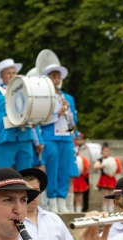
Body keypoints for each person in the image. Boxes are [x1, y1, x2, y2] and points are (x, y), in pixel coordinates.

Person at [0, 59, 37, 174]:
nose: (12, 75)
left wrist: (38, 139)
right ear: (1, 76)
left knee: (26, 173)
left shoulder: (25, 89)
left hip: (25, 136)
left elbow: (32, 111)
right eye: (8, 73)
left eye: (14, 72)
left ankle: (24, 193)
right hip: (5, 138)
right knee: (4, 174)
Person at [21, 168, 78, 240]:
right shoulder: (11, 221)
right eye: (28, 191)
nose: (33, 196)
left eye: (36, 191)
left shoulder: (54, 219)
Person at [40, 63, 75, 213]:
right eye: (53, 76)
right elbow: (41, 120)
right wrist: (57, 114)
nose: (56, 79)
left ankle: (63, 201)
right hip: (50, 137)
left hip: (66, 137)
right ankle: (52, 201)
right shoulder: (43, 98)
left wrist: (69, 112)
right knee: (52, 169)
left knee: (64, 169)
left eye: (58, 76)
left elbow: (74, 123)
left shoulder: (68, 97)